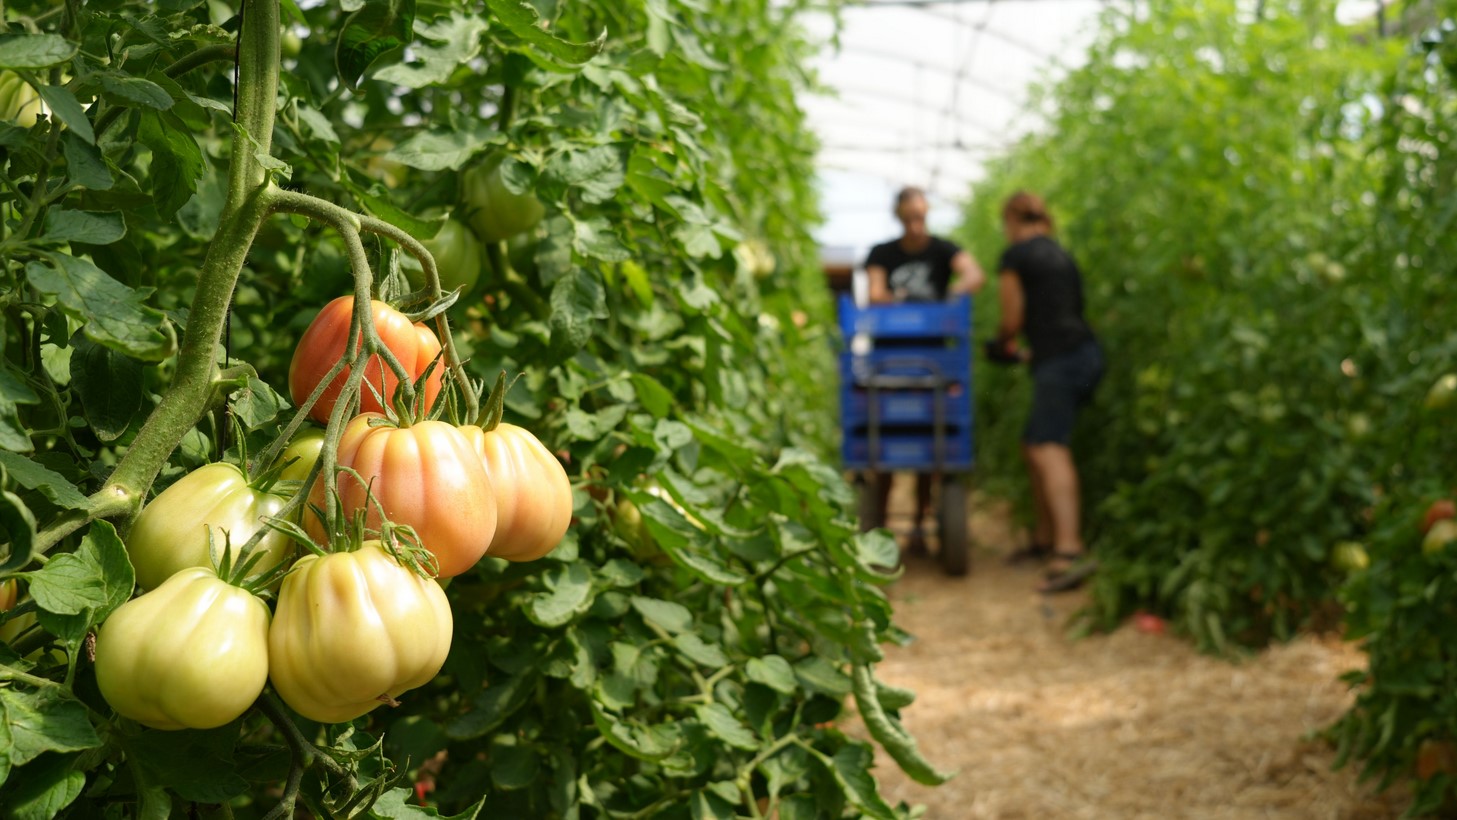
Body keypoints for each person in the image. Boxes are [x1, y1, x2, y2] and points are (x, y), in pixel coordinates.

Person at [988, 190, 1104, 593]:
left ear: (1011, 222)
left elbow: (1012, 318)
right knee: (1033, 442)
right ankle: (1044, 539)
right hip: (1082, 353)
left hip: (1062, 359)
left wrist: (1001, 344)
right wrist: (1025, 355)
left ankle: (1068, 549)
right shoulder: (1059, 255)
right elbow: (1059, 315)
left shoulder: (1017, 256)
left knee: (1047, 446)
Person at [863, 186, 985, 553]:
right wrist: (904, 299)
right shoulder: (882, 253)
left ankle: (918, 526)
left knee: (927, 448)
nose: (917, 225)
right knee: (884, 449)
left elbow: (974, 276)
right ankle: (880, 533)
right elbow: (874, 292)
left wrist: (953, 293)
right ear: (899, 218)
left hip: (933, 364)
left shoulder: (943, 250)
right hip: (889, 364)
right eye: (909, 218)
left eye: (921, 217)